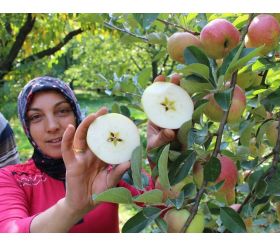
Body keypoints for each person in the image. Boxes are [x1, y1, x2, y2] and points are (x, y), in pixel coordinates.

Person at [0, 76, 174, 233]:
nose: (52, 126)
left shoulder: (105, 166)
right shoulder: (12, 178)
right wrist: (71, 208)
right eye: (36, 117)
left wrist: (159, 157)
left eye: (62, 111)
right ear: (26, 127)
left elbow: (165, 206)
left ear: (76, 115)